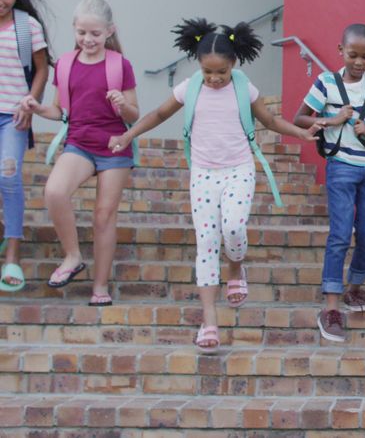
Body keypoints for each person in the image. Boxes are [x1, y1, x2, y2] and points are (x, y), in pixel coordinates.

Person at [108, 18, 320, 352]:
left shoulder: (242, 86)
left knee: (233, 228)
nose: (214, 78)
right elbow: (158, 115)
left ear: (233, 63)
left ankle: (236, 266)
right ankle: (209, 321)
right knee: (206, 241)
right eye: (208, 71)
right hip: (203, 174)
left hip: (239, 169)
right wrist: (128, 134)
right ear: (199, 64)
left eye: (221, 71)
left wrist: (301, 133)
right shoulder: (190, 87)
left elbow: (269, 120)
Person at [292, 24, 365, 343]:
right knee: (341, 233)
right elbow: (299, 118)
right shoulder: (326, 83)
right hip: (341, 165)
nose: (359, 62)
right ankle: (331, 306)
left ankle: (354, 287)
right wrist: (332, 120)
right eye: (353, 55)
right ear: (341, 51)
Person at [21, 0, 137, 306]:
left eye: (96, 34)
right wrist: (37, 107)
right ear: (74, 29)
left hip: (115, 147)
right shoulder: (67, 64)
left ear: (109, 31)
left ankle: (100, 287)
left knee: (103, 216)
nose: (88, 39)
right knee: (55, 191)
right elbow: (60, 111)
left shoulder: (119, 65)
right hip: (80, 143)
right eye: (82, 32)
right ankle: (73, 256)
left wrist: (122, 105)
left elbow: (135, 115)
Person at [0, 0, 51, 292]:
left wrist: (31, 104)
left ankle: (12, 253)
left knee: (9, 176)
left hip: (13, 116)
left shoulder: (26, 26)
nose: (0, 2)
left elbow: (42, 68)